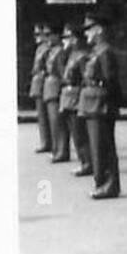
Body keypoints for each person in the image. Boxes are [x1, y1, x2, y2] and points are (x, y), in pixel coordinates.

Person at [78, 11, 123, 199]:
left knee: (103, 147)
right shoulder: (97, 51)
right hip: (93, 103)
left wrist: (110, 105)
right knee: (97, 146)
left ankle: (108, 184)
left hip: (101, 104)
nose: (86, 34)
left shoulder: (105, 52)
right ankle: (101, 182)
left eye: (89, 30)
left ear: (98, 30)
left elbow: (111, 80)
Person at [57, 24, 93, 175]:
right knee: (75, 132)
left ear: (75, 39)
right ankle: (84, 161)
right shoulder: (71, 54)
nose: (65, 40)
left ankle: (87, 163)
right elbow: (62, 72)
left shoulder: (82, 55)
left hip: (76, 96)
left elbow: (86, 78)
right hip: (68, 96)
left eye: (68, 37)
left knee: (80, 134)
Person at [41, 23, 68, 162]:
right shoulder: (52, 51)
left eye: (48, 35)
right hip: (49, 87)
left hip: (55, 87)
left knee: (58, 122)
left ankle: (62, 151)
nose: (47, 38)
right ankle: (56, 149)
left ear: (57, 36)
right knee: (53, 122)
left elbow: (63, 72)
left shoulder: (60, 51)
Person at [29, 22, 54, 153]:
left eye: (40, 34)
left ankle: (48, 142)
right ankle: (45, 141)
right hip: (38, 84)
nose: (37, 37)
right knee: (42, 116)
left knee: (47, 116)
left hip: (44, 83)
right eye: (36, 34)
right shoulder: (40, 48)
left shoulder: (47, 49)